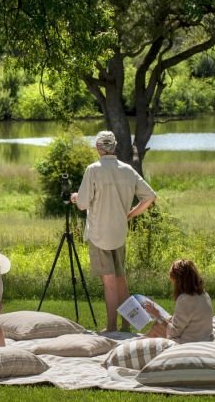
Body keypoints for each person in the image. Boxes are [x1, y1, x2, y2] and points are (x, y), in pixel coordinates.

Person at [70, 130, 157, 332]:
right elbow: (150, 196)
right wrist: (130, 214)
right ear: (115, 146)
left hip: (99, 234)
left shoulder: (93, 169)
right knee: (120, 281)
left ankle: (111, 329)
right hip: (119, 233)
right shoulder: (127, 170)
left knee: (109, 282)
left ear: (97, 148)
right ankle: (126, 325)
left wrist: (75, 197)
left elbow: (82, 204)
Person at [144, 259, 214, 343]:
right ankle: (140, 342)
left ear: (179, 281)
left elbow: (174, 333)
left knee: (157, 327)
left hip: (189, 342)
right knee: (161, 323)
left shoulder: (185, 299)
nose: (173, 285)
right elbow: (186, 319)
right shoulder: (204, 294)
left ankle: (137, 345)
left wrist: (158, 315)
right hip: (204, 338)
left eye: (173, 281)